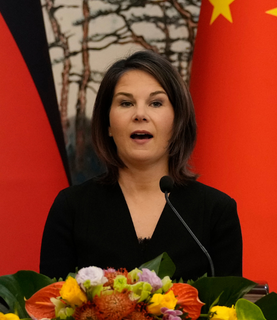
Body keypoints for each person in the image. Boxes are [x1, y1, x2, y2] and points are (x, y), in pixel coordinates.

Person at [39, 50, 242, 280]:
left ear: (177, 121)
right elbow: (49, 308)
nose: (140, 114)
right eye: (126, 103)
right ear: (107, 123)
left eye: (156, 103)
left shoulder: (216, 212)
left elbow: (227, 309)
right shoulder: (72, 209)